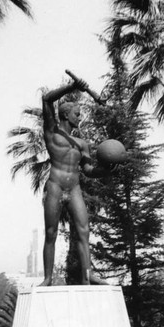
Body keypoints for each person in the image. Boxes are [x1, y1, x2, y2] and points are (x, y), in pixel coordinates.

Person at [40, 77, 113, 286]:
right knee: (51, 232)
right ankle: (47, 278)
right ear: (65, 114)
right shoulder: (52, 132)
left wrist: (107, 169)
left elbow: (89, 170)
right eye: (77, 114)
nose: (80, 118)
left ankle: (88, 274)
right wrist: (72, 87)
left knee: (84, 231)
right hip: (55, 185)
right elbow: (46, 100)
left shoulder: (82, 144)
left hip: (74, 188)